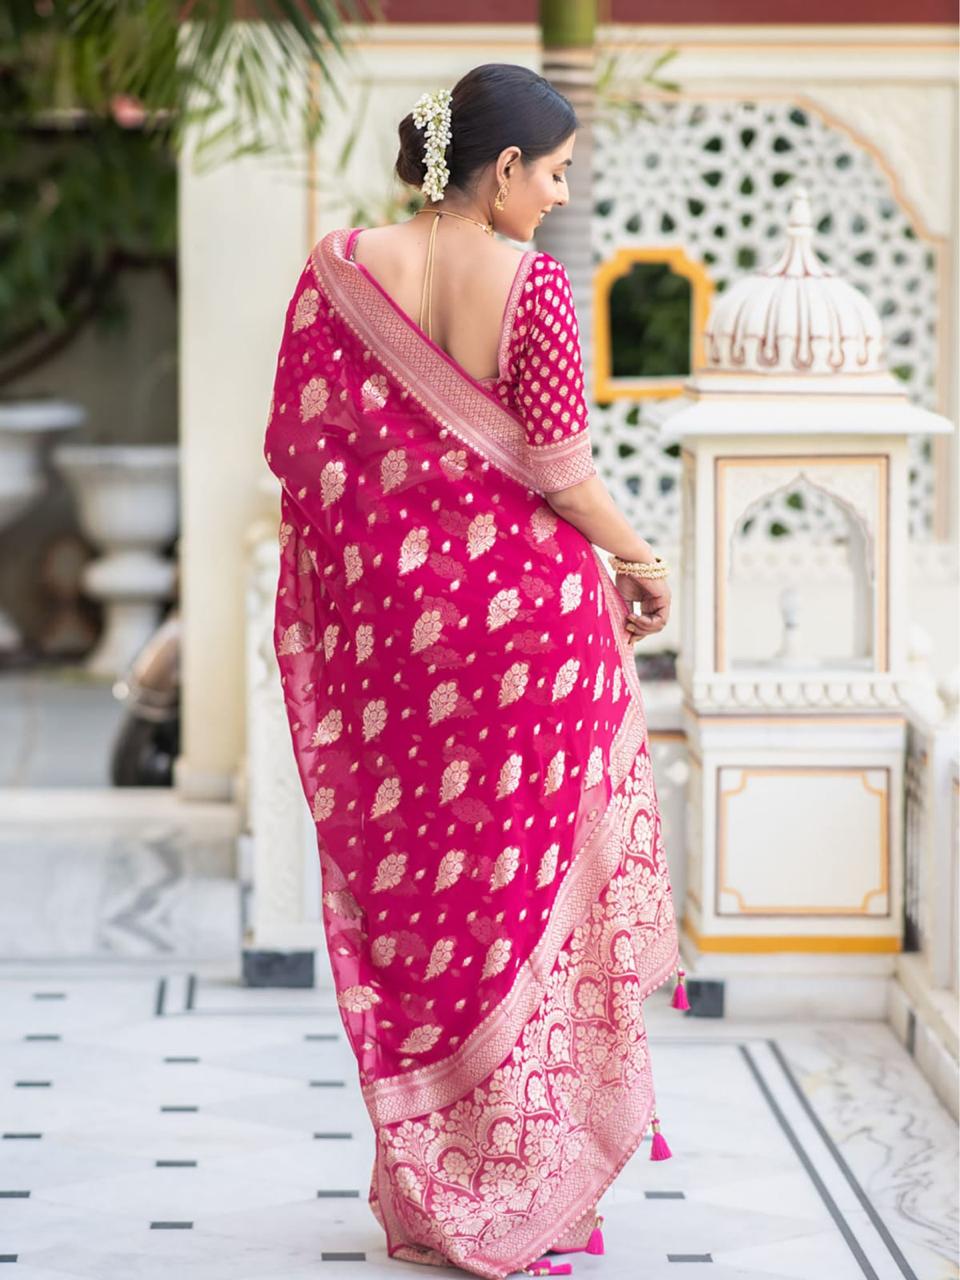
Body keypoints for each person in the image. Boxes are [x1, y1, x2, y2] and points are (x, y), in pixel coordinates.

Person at [263, 61, 684, 1280]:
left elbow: (303, 453)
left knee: (433, 917)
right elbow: (560, 468)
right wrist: (643, 559)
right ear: (502, 167)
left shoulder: (337, 270)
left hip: (402, 658)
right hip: (530, 651)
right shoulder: (531, 285)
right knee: (525, 913)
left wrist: (388, 582)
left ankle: (440, 1188)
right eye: (553, 173)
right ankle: (528, 1191)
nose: (559, 197)